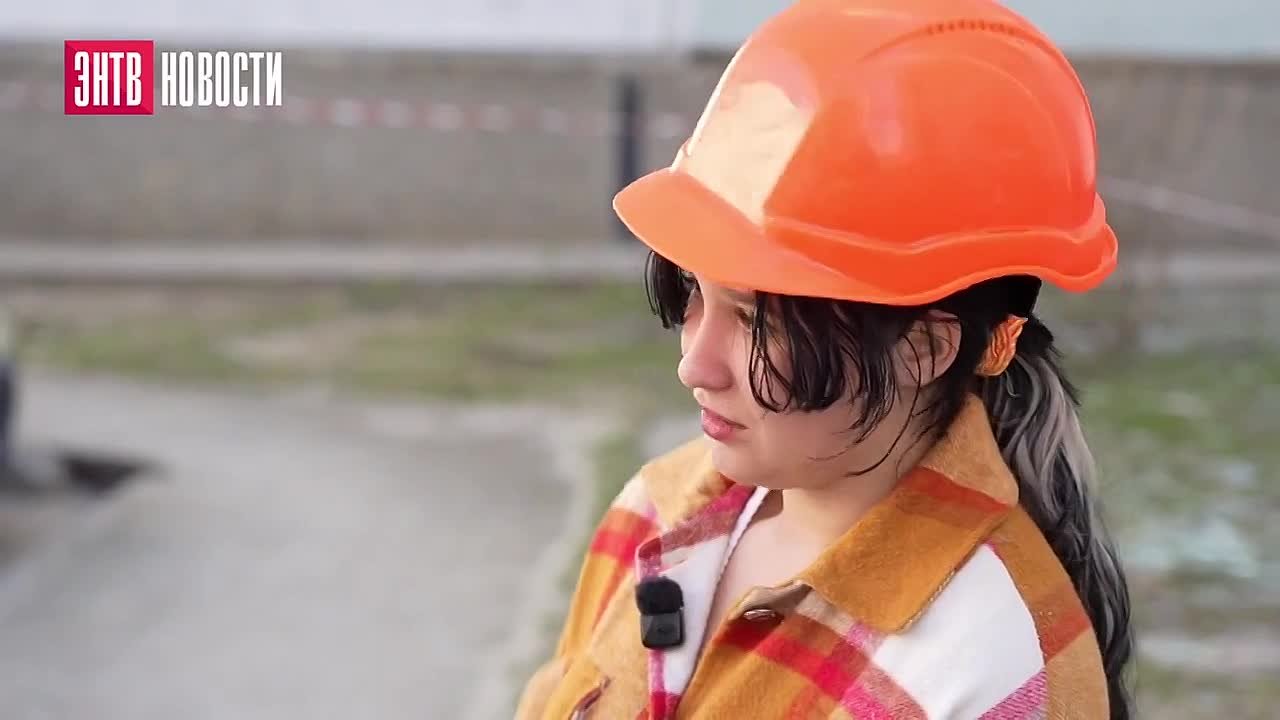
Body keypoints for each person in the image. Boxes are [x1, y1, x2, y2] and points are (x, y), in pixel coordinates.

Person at [517, 0, 1133, 717]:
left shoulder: (993, 668)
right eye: (691, 291)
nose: (695, 366)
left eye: (757, 321)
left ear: (925, 348)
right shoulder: (658, 509)